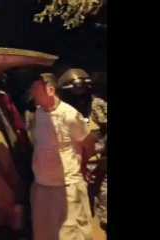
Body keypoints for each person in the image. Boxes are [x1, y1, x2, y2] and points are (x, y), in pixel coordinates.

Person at [29, 73, 96, 240]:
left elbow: (88, 144)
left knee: (70, 234)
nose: (33, 95)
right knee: (44, 234)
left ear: (50, 91)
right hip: (42, 187)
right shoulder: (38, 113)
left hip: (67, 189)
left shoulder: (70, 115)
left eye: (37, 91)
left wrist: (82, 164)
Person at [59, 69, 107, 234]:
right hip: (77, 169)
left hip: (101, 165)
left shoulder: (97, 106)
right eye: (76, 88)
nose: (80, 93)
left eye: (83, 87)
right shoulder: (62, 112)